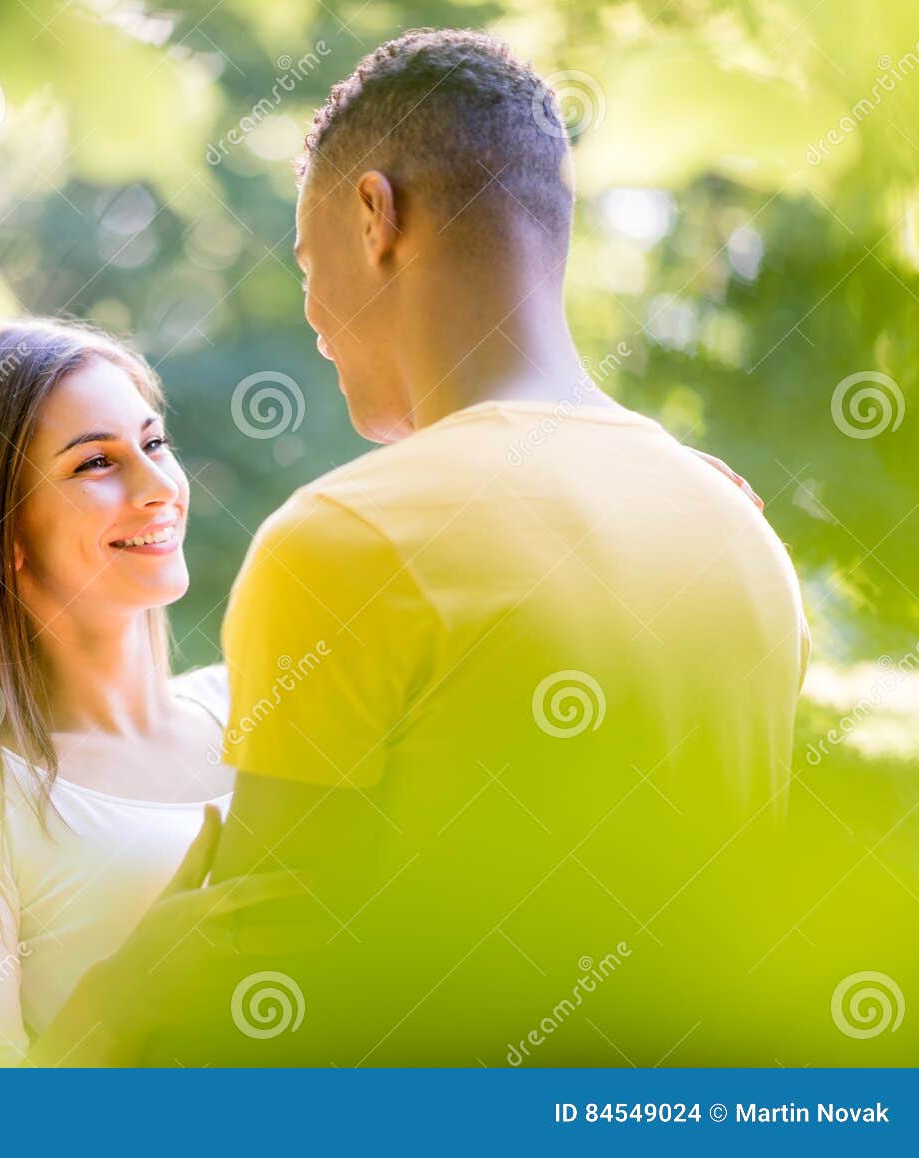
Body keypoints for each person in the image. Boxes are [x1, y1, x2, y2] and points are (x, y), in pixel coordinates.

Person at [140, 29, 814, 1065]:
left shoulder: (343, 543)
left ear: (375, 215)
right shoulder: (740, 534)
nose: (313, 310)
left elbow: (243, 1012)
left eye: (305, 256)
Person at [0, 318, 299, 1066]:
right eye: (96, 463)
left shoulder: (257, 701)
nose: (160, 489)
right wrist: (133, 988)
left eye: (154, 444)